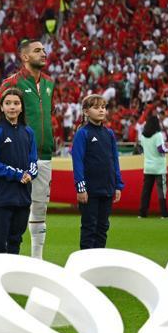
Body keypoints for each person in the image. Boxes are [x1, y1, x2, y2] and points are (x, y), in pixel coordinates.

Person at [0, 39, 56, 259]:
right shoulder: (12, 83)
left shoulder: (50, 83)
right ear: (25, 57)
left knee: (39, 208)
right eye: (37, 51)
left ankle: (36, 258)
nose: (43, 53)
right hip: (15, 161)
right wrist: (3, 137)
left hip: (42, 155)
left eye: (44, 50)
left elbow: (48, 114)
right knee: (7, 217)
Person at [0, 89, 37, 254]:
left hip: (23, 195)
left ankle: (12, 277)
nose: (12, 107)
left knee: (16, 239)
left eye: (16, 103)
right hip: (4, 195)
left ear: (22, 107)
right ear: (1, 107)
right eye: (8, 103)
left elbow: (33, 161)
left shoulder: (28, 132)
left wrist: (30, 174)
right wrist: (17, 174)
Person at [72, 95, 124, 250]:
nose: (101, 110)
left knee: (103, 228)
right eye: (96, 107)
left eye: (103, 107)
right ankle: (84, 264)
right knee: (89, 228)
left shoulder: (109, 134)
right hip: (90, 191)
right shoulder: (83, 133)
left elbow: (114, 160)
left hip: (107, 188)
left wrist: (118, 185)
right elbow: (78, 162)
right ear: (86, 111)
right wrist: (81, 188)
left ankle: (98, 264)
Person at [138, 112, 168, 218]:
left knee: (146, 192)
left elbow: (139, 148)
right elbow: (161, 150)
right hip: (160, 167)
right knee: (162, 192)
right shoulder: (158, 135)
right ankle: (164, 214)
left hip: (148, 167)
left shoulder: (143, 136)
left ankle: (142, 214)